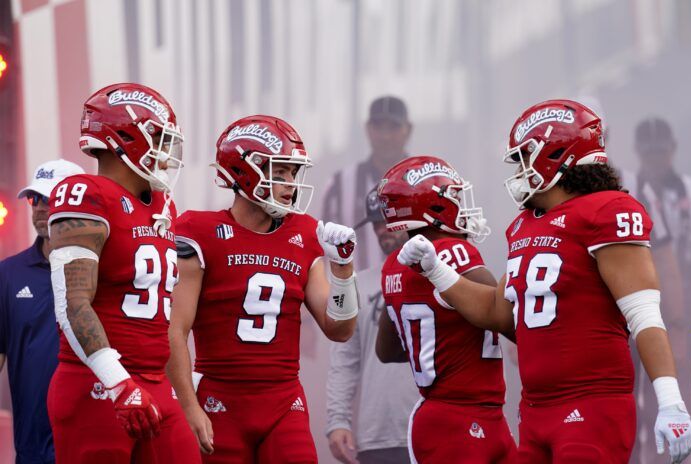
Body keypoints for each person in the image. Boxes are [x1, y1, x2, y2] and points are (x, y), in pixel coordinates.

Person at [396, 100, 691, 463]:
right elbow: (500, 313)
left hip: (591, 404)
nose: (519, 169)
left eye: (525, 157)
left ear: (557, 154)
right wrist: (437, 272)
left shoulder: (607, 209)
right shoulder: (525, 224)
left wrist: (671, 402)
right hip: (535, 410)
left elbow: (645, 316)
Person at [167, 114, 360, 463]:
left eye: (293, 174)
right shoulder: (200, 231)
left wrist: (343, 270)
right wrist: (189, 406)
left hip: (285, 401)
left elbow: (340, 329)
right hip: (221, 399)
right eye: (280, 172)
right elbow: (174, 330)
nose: (290, 184)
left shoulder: (303, 232)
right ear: (245, 170)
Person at [46, 83, 200, 463]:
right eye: (160, 139)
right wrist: (117, 382)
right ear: (125, 139)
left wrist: (182, 391)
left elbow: (162, 316)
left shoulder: (163, 205)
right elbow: (71, 303)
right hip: (96, 387)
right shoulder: (85, 194)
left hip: (155, 382)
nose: (167, 152)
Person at [374, 156, 516, 464]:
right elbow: (510, 321)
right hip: (462, 418)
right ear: (432, 207)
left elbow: (387, 349)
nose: (462, 208)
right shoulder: (458, 252)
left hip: (452, 416)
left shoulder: (392, 265)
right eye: (455, 198)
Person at [621, 117, 691, 463]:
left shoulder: (690, 192)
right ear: (637, 152)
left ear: (673, 151)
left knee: (675, 394)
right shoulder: (627, 191)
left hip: (683, 302)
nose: (654, 160)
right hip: (635, 303)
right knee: (629, 397)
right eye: (648, 153)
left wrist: (680, 322)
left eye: (660, 152)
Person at [0, 159, 84, 463]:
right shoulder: (8, 274)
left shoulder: (110, 271)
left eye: (50, 199)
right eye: (35, 199)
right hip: (34, 451)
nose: (39, 207)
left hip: (97, 444)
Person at [326, 186, 415, 464]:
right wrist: (337, 421)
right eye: (375, 224)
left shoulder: (448, 277)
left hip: (438, 427)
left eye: (386, 221)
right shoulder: (361, 283)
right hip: (377, 434)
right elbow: (344, 359)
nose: (380, 231)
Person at [322, 96, 412, 271]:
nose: (385, 136)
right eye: (378, 127)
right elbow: (323, 248)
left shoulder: (427, 183)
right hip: (358, 293)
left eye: (393, 127)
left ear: (408, 130)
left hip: (414, 292)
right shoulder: (338, 185)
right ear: (368, 129)